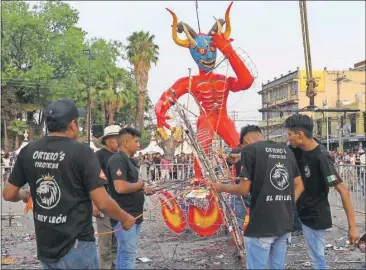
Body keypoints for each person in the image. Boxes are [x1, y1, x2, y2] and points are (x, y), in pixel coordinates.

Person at [2, 98, 135, 269]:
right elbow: (102, 202)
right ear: (72, 124)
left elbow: (8, 194)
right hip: (76, 246)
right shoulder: (82, 152)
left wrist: (23, 194)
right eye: (78, 123)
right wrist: (125, 218)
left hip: (46, 246)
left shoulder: (29, 150)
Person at [212, 125, 304, 269]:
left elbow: (243, 189)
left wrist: (221, 187)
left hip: (262, 225)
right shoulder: (286, 150)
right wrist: (288, 204)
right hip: (285, 222)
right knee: (277, 266)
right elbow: (300, 185)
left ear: (246, 142)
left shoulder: (250, 150)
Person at [285, 114, 360, 269]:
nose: (288, 138)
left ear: (300, 134)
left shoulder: (321, 157)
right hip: (300, 210)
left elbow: (343, 191)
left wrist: (352, 227)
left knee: (317, 259)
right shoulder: (297, 149)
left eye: (289, 134)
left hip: (315, 216)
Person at [106, 127, 155, 269]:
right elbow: (120, 187)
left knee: (124, 252)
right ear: (126, 143)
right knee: (128, 253)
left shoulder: (131, 161)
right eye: (137, 141)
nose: (139, 145)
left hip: (135, 215)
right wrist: (139, 184)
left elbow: (132, 184)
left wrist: (143, 188)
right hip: (124, 216)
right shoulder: (117, 160)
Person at [93, 125, 121, 269]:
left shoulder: (121, 156)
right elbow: (93, 181)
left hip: (118, 205)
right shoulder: (98, 156)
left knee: (117, 238)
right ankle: (105, 267)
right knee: (105, 240)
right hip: (103, 202)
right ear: (108, 140)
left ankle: (115, 266)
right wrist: (95, 203)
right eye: (117, 138)